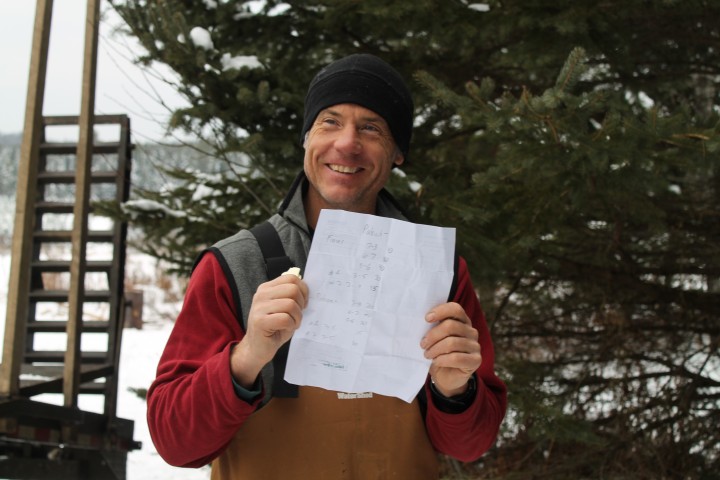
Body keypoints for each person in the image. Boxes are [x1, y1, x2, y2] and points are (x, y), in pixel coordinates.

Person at [147, 53, 507, 479]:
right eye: (330, 122)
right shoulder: (236, 264)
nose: (347, 143)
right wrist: (246, 358)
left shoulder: (437, 271)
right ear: (306, 138)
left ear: (397, 154)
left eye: (371, 128)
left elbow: (470, 445)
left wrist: (455, 391)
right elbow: (175, 443)